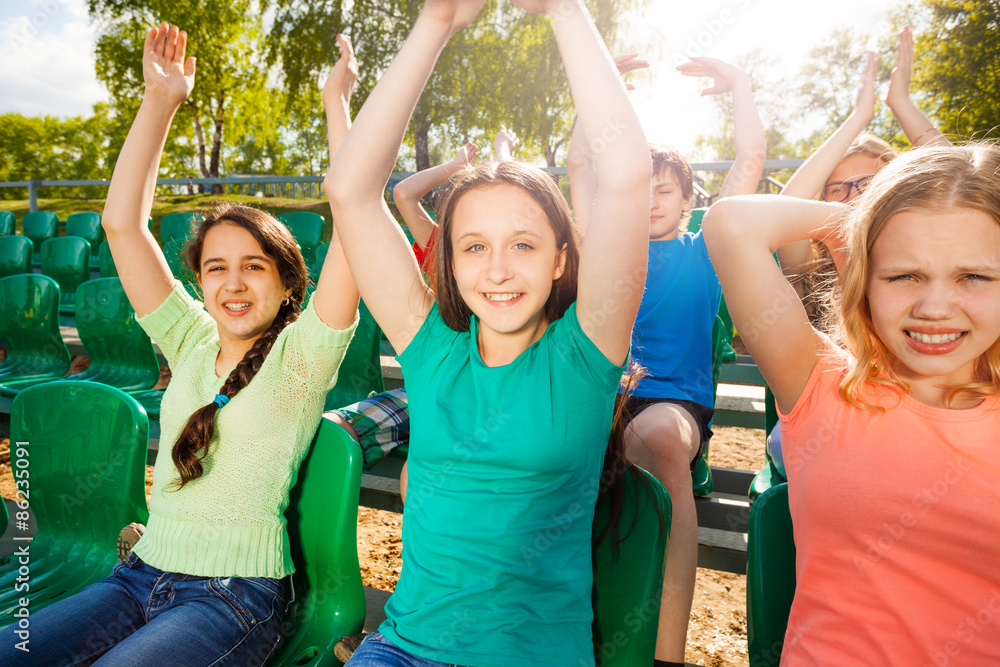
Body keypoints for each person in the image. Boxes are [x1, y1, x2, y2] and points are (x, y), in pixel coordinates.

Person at [0, 24, 359, 666]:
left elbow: (356, 214)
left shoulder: (303, 355)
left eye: (255, 265)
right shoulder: (189, 336)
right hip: (138, 576)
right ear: (200, 280)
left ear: (287, 283)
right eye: (217, 267)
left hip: (232, 599)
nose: (234, 282)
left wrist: (338, 106)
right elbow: (121, 224)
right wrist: (160, 102)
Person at [324, 0, 652, 664]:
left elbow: (626, 177)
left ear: (561, 258)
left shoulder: (584, 359)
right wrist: (436, 23)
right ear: (448, 259)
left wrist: (563, 10)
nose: (497, 270)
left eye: (523, 245)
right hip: (402, 650)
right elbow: (352, 189)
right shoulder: (432, 351)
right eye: (473, 246)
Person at [703, 143, 1000, 665]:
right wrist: (854, 219)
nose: (933, 308)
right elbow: (731, 224)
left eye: (972, 277)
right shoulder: (824, 384)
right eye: (902, 275)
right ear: (863, 279)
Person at [568, 54, 765, 665]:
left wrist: (740, 86)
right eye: (642, 187)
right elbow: (580, 162)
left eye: (665, 189)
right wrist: (603, 85)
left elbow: (751, 163)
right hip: (603, 393)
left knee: (655, 438)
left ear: (686, 199)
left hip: (672, 401)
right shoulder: (604, 237)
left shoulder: (707, 245)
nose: (651, 199)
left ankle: (664, 650)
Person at [777, 27, 950, 314]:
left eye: (869, 184)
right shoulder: (811, 266)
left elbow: (966, 180)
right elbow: (782, 209)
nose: (855, 197)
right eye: (838, 189)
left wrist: (901, 103)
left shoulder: (928, 245)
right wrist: (859, 117)